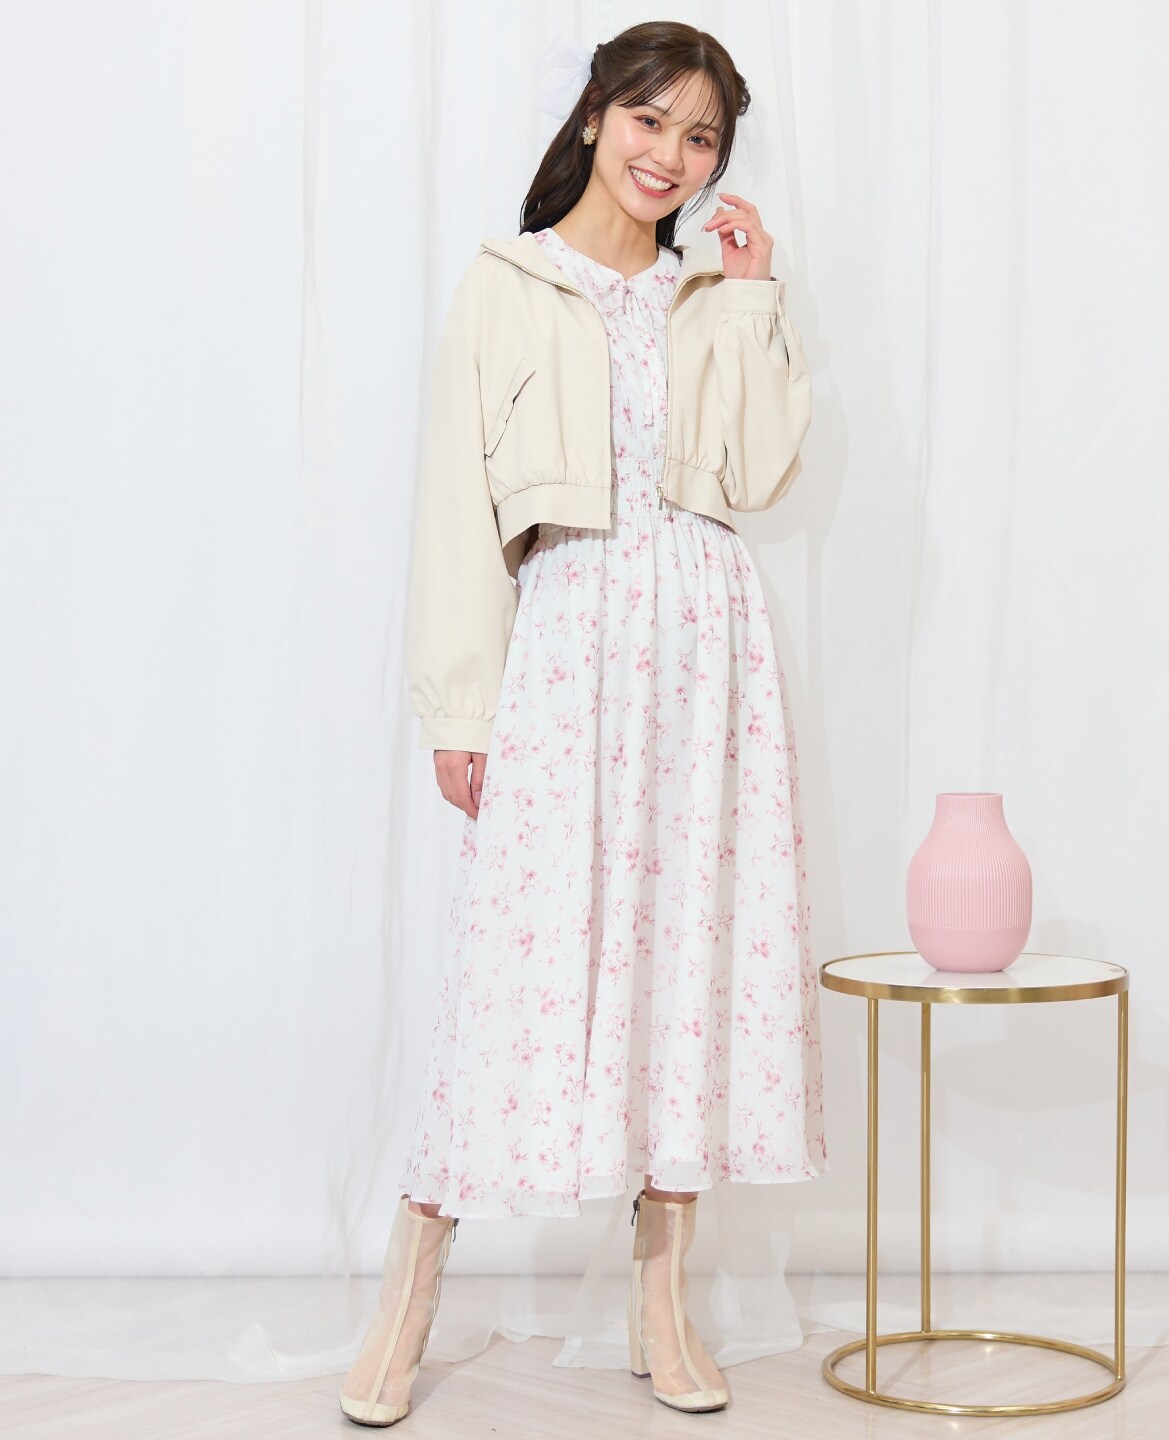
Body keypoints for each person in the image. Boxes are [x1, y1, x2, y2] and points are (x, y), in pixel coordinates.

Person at [339, 19, 827, 1426]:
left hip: (706, 652)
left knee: (686, 961)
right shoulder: (509, 283)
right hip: (563, 647)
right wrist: (460, 703)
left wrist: (750, 300)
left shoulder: (705, 292)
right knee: (516, 966)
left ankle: (662, 1303)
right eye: (651, 119)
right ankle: (411, 1291)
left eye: (701, 137)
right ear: (599, 113)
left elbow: (756, 473)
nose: (670, 155)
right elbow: (455, 507)